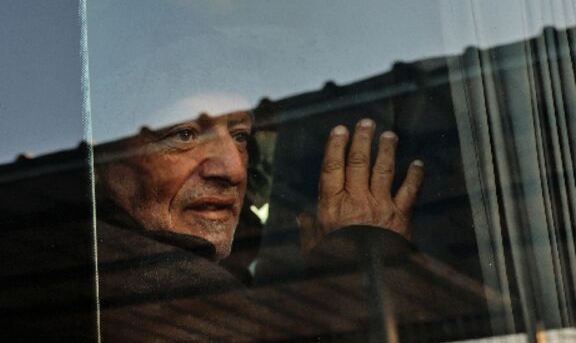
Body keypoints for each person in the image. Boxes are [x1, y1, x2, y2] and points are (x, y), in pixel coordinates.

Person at [96, 104, 425, 292]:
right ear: (98, 161)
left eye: (240, 136)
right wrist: (355, 260)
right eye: (184, 134)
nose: (234, 169)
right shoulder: (101, 276)